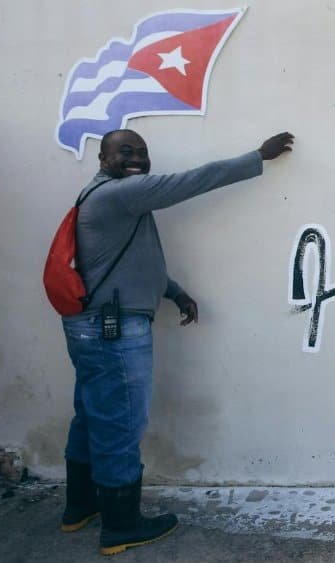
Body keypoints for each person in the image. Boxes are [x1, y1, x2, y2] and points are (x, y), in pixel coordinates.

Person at [59, 129, 294, 555]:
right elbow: (193, 181)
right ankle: (121, 524)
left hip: (93, 324)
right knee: (119, 422)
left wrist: (174, 291)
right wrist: (257, 156)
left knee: (92, 416)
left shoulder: (103, 196)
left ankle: (80, 506)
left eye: (141, 152)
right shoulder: (119, 193)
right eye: (124, 151)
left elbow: (127, 262)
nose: (135, 158)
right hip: (113, 329)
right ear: (102, 158)